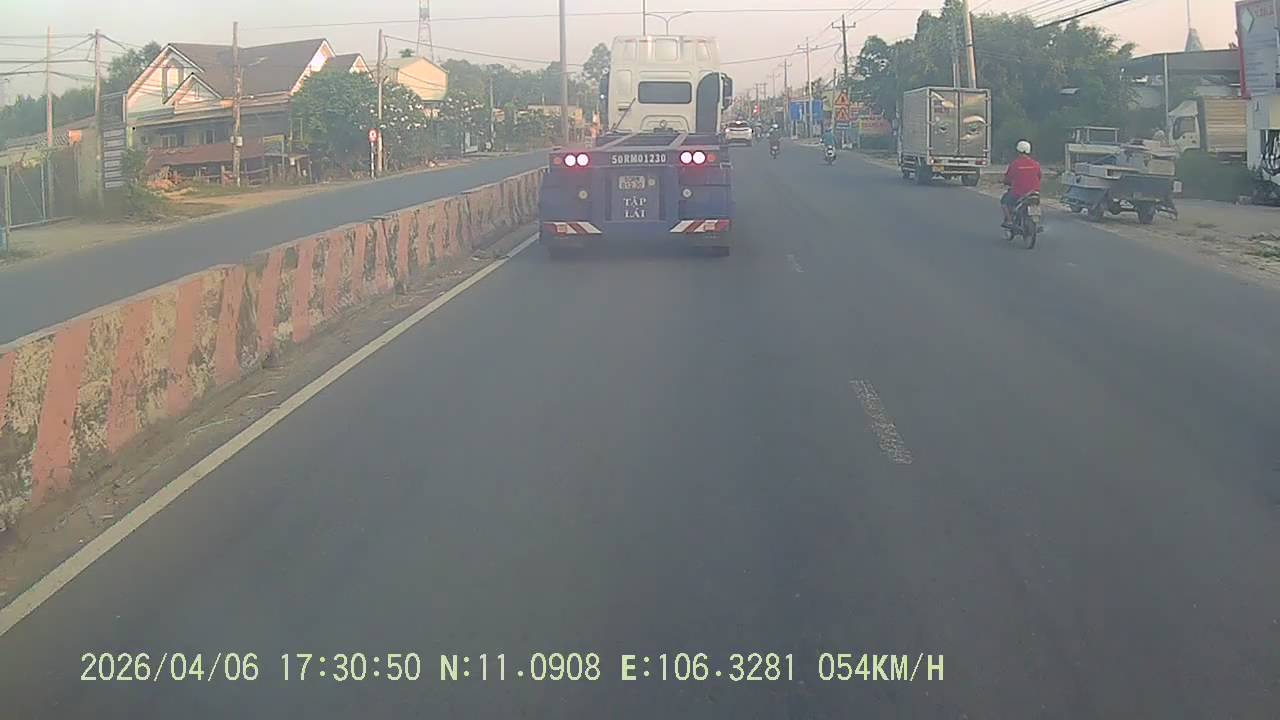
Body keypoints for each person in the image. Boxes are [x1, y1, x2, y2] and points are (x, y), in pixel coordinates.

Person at [1002, 140, 1042, 227]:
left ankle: (1009, 221)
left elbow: (1008, 178)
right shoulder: (1036, 164)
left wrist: (1005, 182)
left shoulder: (1015, 164)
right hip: (1034, 192)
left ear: (1018, 151)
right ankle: (1036, 222)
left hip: (1018, 192)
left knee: (1004, 202)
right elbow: (1039, 176)